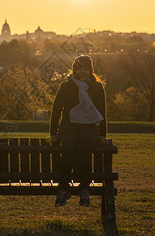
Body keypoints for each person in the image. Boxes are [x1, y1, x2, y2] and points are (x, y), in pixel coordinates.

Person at [50, 55, 108, 207]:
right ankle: (66, 188)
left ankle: (83, 189)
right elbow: (56, 110)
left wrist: (103, 134)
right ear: (74, 69)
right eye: (79, 68)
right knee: (69, 150)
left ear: (90, 70)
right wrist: (53, 132)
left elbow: (102, 111)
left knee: (83, 151)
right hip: (69, 125)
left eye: (86, 68)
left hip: (88, 127)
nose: (82, 71)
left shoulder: (97, 88)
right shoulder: (66, 86)